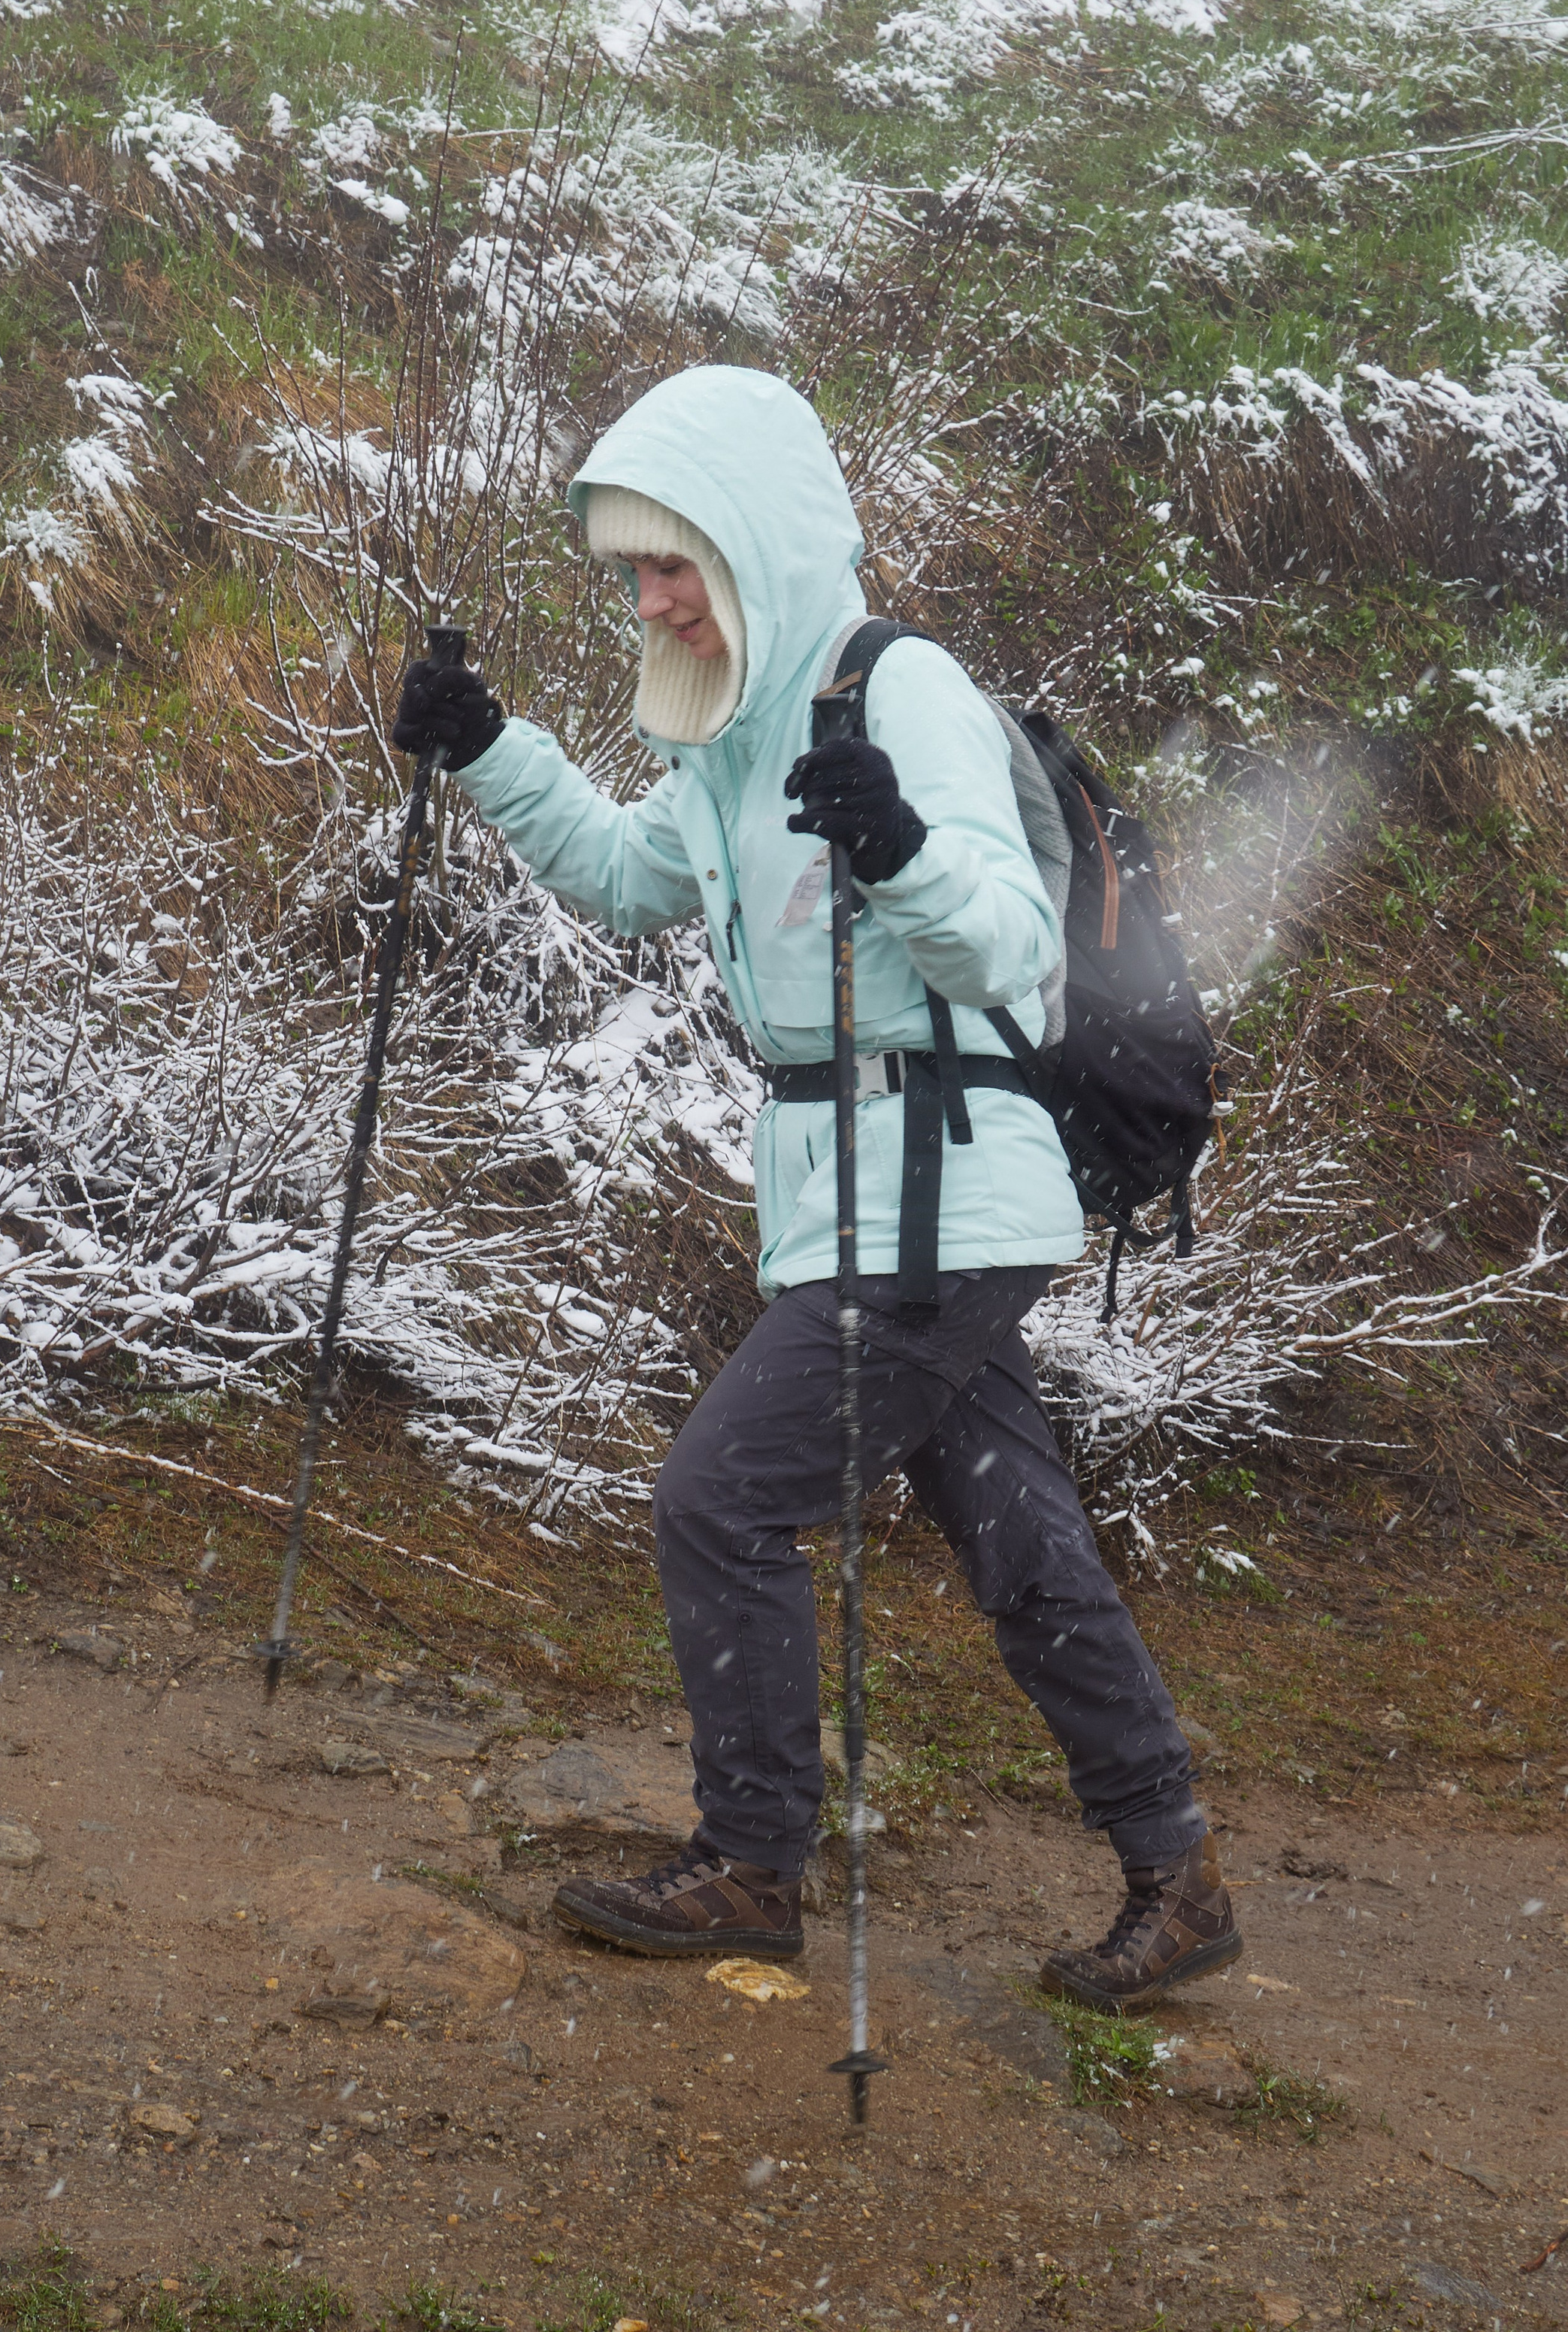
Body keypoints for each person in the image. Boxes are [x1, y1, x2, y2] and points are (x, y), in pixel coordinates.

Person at [391, 365, 1239, 2012]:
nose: (649, 600)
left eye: (671, 566)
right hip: (854, 1201)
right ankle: (1177, 1875)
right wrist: (494, 751)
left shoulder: (892, 684)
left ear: (752, 542)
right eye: (632, 574)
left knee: (718, 1497)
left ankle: (752, 1863)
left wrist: (900, 843)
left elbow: (1003, 945)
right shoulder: (727, 714)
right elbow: (637, 881)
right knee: (1018, 1546)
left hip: (936, 1199)